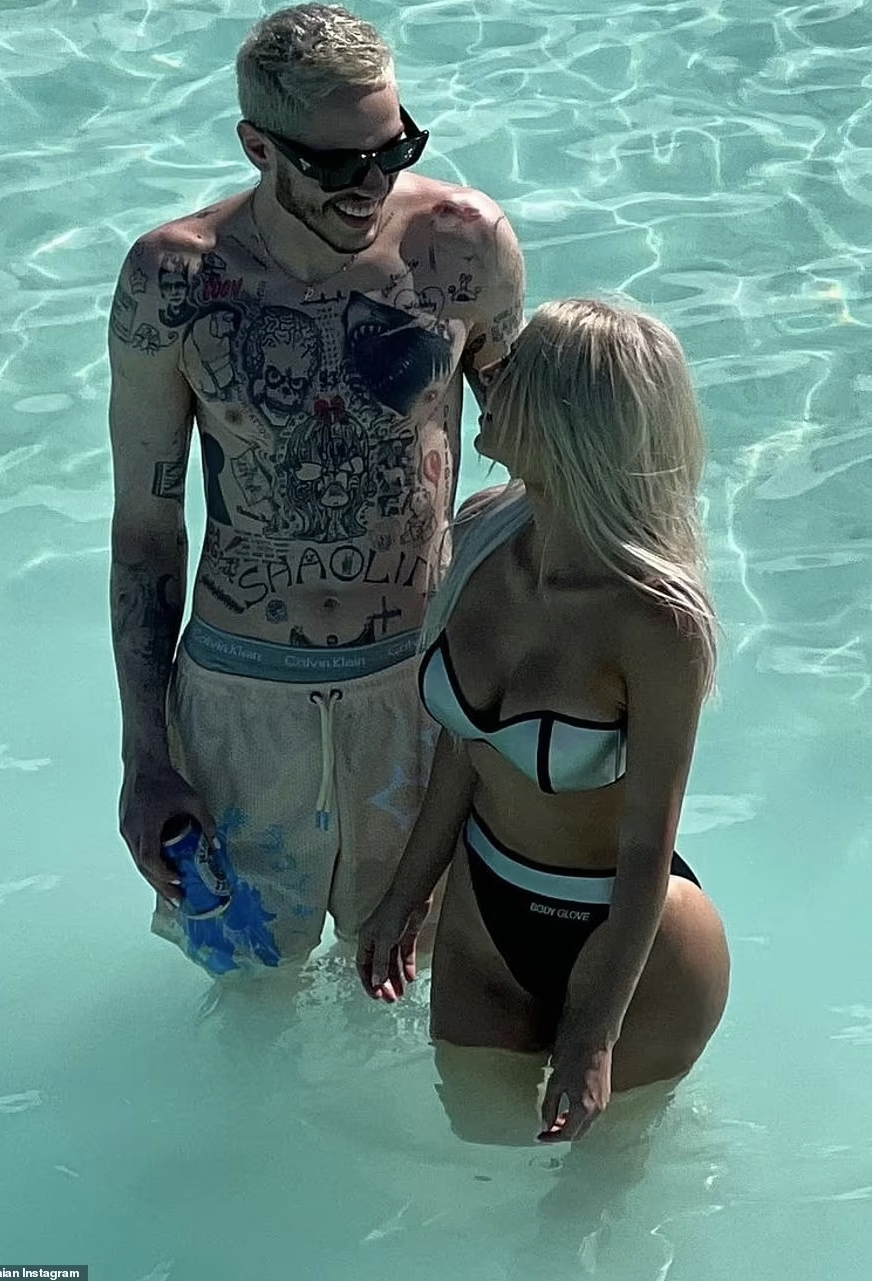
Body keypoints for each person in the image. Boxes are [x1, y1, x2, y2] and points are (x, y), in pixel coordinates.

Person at [108, 3, 525, 974]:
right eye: (338, 164)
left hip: (419, 691)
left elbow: (542, 457)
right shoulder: (174, 280)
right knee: (249, 991)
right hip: (240, 703)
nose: (371, 183)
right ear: (258, 146)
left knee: (415, 982)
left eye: (395, 149)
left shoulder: (462, 246)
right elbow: (145, 528)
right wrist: (146, 757)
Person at [356, 299, 731, 1141]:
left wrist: (594, 1033)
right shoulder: (481, 532)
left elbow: (647, 845)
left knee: (599, 1187)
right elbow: (466, 749)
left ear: (571, 418)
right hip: (485, 908)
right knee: (476, 1150)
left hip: (634, 940)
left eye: (516, 371)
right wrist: (404, 896)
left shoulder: (658, 622)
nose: (489, 379)